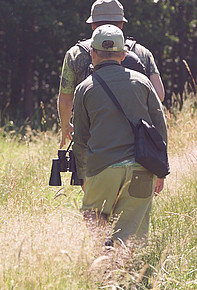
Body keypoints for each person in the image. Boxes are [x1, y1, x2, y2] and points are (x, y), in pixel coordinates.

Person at [72, 24, 168, 246]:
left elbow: (81, 139)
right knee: (129, 237)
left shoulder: (84, 88)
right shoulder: (143, 82)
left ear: (92, 54)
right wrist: (161, 171)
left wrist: (83, 174)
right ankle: (123, 277)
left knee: (96, 227)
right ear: (124, 55)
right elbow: (160, 128)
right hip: (143, 169)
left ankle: (102, 274)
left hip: (101, 170)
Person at [58, 0, 165, 147]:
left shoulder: (75, 54)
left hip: (93, 140)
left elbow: (66, 100)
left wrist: (65, 126)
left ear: (93, 25)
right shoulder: (141, 52)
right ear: (121, 24)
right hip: (136, 141)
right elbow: (159, 95)